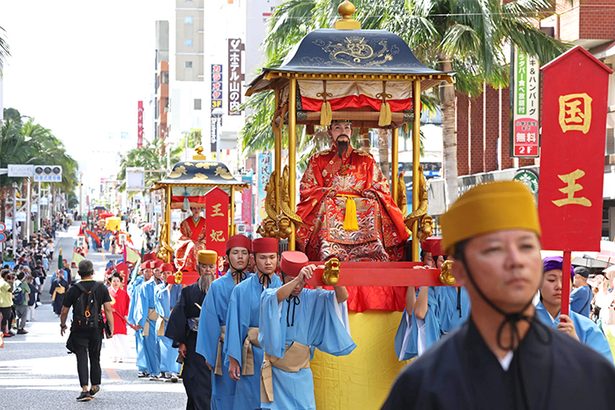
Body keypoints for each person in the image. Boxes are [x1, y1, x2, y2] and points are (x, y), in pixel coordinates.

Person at [382, 181, 615, 409]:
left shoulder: (589, 373)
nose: (515, 261)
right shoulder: (422, 385)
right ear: (460, 270)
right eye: (494, 249)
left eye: (526, 246)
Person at [295, 120, 409, 311]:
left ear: (352, 131)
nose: (343, 132)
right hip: (330, 203)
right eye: (338, 127)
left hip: (361, 206)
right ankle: (330, 252)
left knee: (372, 204)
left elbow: (381, 185)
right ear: (330, 131)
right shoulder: (318, 159)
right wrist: (324, 192)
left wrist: (372, 192)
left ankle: (372, 252)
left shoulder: (365, 159)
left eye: (347, 128)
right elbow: (308, 189)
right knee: (326, 204)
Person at [259, 251, 356, 409]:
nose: (298, 286)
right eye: (292, 280)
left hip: (301, 371)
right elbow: (277, 297)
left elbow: (341, 298)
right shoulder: (269, 295)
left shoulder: (312, 296)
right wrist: (298, 278)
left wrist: (333, 277)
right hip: (277, 372)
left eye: (302, 282)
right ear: (281, 276)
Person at [224, 237, 282, 410]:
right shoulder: (241, 290)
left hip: (276, 354)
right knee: (249, 399)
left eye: (272, 257)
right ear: (254, 259)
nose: (268, 262)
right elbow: (233, 325)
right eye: (263, 257)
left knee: (276, 399)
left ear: (278, 259)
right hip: (249, 353)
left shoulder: (284, 287)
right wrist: (233, 359)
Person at [196, 234, 252, 409]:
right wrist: (210, 353)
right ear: (227, 257)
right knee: (224, 394)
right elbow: (208, 321)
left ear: (250, 257)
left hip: (252, 349)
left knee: (250, 395)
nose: (240, 257)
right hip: (224, 348)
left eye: (244, 252)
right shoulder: (217, 286)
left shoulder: (256, 283)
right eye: (235, 253)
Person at [166, 250, 217, 410]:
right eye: (204, 267)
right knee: (195, 382)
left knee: (210, 387)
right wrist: (181, 342)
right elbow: (180, 317)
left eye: (210, 266)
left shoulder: (223, 290)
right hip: (194, 343)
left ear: (216, 268)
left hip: (217, 343)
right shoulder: (188, 292)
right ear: (198, 268)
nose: (207, 270)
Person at [536, 257, 612, 362]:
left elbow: (605, 373)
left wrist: (577, 347)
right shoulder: (522, 324)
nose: (559, 286)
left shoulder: (588, 329)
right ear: (538, 284)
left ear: (572, 285)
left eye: (565, 281)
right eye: (551, 280)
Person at [60, 259, 114, 402]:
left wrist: (62, 325)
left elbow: (64, 310)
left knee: (81, 357)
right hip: (96, 327)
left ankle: (84, 389)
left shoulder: (73, 289)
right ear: (93, 272)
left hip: (79, 328)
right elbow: (108, 309)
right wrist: (110, 328)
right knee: (95, 356)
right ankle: (95, 385)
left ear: (79, 273)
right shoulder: (101, 288)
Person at [134, 260, 163, 379]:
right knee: (150, 345)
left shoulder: (163, 285)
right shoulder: (145, 286)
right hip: (150, 319)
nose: (157, 273)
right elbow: (142, 305)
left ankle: (164, 369)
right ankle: (154, 371)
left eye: (159, 271)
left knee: (162, 345)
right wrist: (140, 321)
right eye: (155, 270)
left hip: (162, 319)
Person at [154, 262, 181, 381]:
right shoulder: (158, 288)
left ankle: (174, 370)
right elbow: (159, 301)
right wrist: (167, 288)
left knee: (175, 346)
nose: (166, 275)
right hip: (164, 319)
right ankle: (165, 369)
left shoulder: (179, 286)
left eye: (168, 273)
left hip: (175, 319)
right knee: (164, 345)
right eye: (164, 273)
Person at [127, 263, 148, 377]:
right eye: (146, 270)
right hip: (141, 317)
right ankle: (142, 366)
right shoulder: (138, 285)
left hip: (154, 318)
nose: (149, 273)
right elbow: (135, 303)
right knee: (141, 343)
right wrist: (135, 319)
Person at [175, 206, 207, 273]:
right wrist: (189, 241)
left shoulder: (205, 222)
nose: (196, 210)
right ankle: (189, 267)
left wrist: (202, 241)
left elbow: (208, 235)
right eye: (194, 208)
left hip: (201, 242)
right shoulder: (185, 223)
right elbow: (182, 235)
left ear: (201, 209)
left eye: (198, 208)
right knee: (191, 246)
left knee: (200, 247)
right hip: (189, 242)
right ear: (191, 209)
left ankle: (202, 267)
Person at [107, 272, 130, 363]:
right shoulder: (107, 292)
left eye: (117, 281)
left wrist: (126, 315)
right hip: (110, 317)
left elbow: (128, 306)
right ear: (110, 282)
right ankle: (114, 355)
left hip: (120, 318)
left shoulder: (124, 294)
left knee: (121, 337)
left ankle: (121, 355)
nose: (116, 283)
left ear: (120, 282)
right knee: (111, 338)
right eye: (114, 281)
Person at [0, 270, 15, 337]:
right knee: (5, 318)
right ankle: (4, 332)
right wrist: (11, 281)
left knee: (7, 317)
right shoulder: (5, 284)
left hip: (3, 302)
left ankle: (6, 331)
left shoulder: (1, 281)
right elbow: (11, 290)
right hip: (5, 303)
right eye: (8, 275)